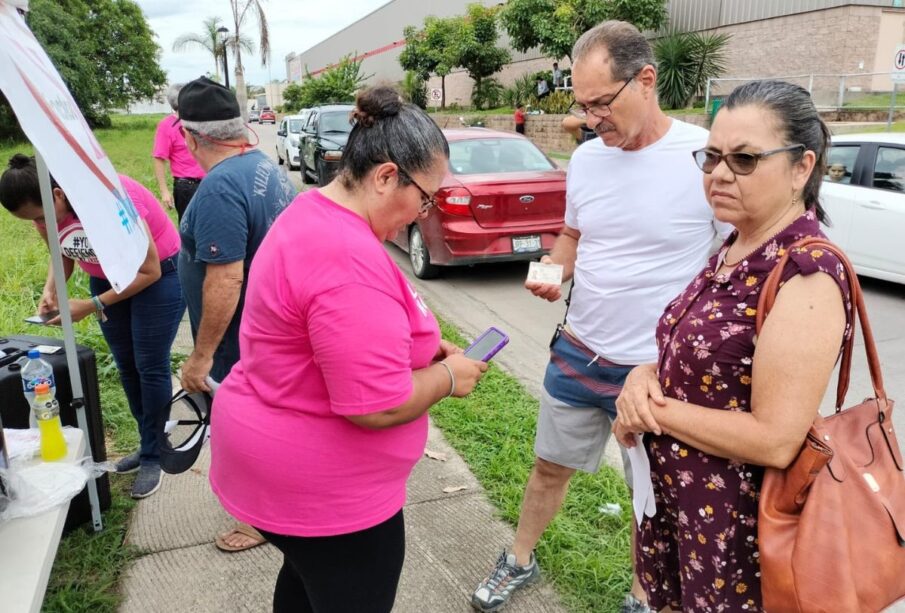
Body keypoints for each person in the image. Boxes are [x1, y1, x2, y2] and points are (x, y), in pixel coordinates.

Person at [471, 21, 730, 613]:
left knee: (649, 492)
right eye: (582, 106)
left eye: (600, 104)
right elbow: (573, 233)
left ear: (646, 80)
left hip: (655, 371)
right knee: (548, 467)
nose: (591, 119)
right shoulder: (588, 159)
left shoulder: (704, 158)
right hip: (580, 349)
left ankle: (642, 597)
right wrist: (558, 268)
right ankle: (519, 559)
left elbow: (730, 263)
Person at [208, 85, 488, 613]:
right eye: (426, 197)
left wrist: (419, 350)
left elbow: (334, 337)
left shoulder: (315, 210)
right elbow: (377, 405)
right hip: (325, 495)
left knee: (307, 583)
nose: (425, 212)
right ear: (386, 177)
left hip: (286, 471)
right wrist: (449, 378)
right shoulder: (347, 258)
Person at [614, 80, 851, 612]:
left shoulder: (806, 273)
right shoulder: (737, 244)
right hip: (682, 510)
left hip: (734, 534)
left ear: (800, 167)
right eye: (713, 157)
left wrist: (654, 411)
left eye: (744, 159)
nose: (720, 174)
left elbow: (774, 440)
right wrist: (641, 378)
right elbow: (703, 363)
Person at [0, 156, 184, 499]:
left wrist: (92, 305)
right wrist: (51, 291)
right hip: (108, 280)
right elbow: (63, 252)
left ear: (58, 194)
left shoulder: (113, 197)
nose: (40, 224)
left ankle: (153, 455)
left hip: (160, 278)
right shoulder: (46, 213)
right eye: (33, 222)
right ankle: (152, 440)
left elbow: (150, 271)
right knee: (127, 365)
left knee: (150, 364)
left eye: (41, 216)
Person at [176, 76, 297, 552]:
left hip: (240, 340)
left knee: (246, 429)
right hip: (265, 330)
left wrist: (201, 356)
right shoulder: (261, 165)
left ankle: (258, 520)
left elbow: (226, 278)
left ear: (190, 136)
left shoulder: (220, 189)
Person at [152, 83, 206, 222]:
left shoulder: (198, 121)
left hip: (208, 182)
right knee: (190, 228)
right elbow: (159, 158)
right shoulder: (167, 126)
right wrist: (164, 191)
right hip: (186, 187)